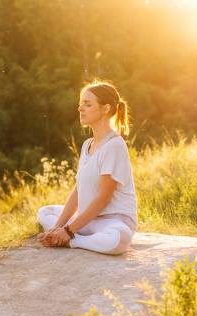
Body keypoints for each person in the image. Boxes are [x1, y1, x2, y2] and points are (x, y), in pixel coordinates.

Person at [35, 80, 137, 255]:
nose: (80, 109)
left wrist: (67, 231)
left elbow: (104, 198)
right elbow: (78, 192)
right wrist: (57, 228)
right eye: (80, 104)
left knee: (118, 239)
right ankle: (70, 235)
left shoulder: (114, 146)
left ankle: (75, 241)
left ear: (105, 109)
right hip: (89, 221)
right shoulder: (87, 145)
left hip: (112, 221)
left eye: (87, 104)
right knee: (46, 211)